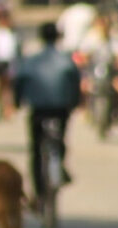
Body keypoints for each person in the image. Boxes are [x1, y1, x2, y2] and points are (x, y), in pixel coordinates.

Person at [13, 22, 82, 208]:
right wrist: (75, 103)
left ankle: (38, 193)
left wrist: (17, 101)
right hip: (61, 110)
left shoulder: (32, 60)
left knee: (36, 150)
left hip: (39, 111)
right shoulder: (66, 59)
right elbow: (76, 84)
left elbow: (19, 82)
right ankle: (60, 164)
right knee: (60, 141)